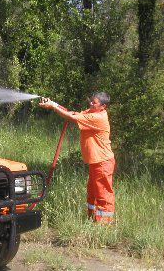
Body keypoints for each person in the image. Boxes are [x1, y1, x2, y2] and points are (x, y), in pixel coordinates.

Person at [39, 92, 115, 223]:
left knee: (103, 194)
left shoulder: (99, 117)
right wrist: (54, 104)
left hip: (103, 162)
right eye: (90, 100)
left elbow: (72, 118)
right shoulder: (91, 112)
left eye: (94, 102)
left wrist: (53, 107)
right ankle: (91, 219)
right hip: (95, 162)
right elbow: (73, 114)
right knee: (92, 192)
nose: (90, 103)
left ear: (103, 106)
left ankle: (104, 225)